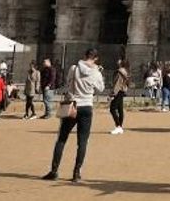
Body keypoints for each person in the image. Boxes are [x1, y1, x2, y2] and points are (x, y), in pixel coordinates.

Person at [43, 49, 104, 182]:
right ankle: (76, 173)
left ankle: (54, 171)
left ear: (85, 56)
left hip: (73, 105)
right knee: (82, 142)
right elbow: (101, 89)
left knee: (62, 139)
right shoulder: (96, 72)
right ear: (96, 58)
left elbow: (69, 82)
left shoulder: (74, 68)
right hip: (87, 106)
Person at [109, 59, 130, 135]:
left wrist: (113, 93)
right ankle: (120, 126)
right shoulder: (126, 71)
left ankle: (118, 126)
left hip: (118, 91)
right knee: (120, 109)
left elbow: (117, 83)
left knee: (112, 109)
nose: (117, 61)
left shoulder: (119, 72)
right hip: (122, 91)